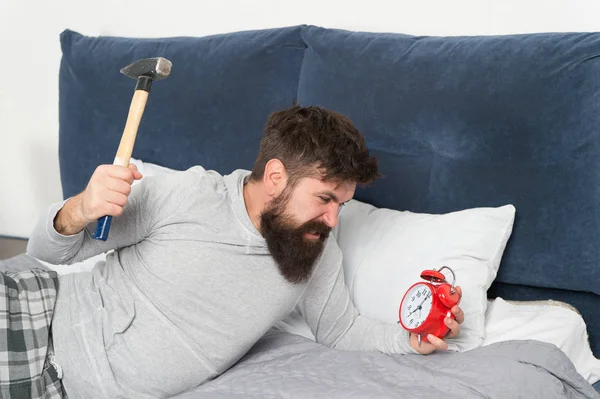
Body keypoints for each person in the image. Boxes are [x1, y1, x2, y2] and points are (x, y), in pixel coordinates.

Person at [26, 105, 464, 398]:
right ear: (276, 177)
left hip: (73, 387)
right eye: (325, 199)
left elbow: (341, 329)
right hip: (38, 319)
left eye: (342, 205)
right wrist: (79, 207)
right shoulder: (189, 196)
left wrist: (413, 339)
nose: (333, 220)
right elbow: (48, 252)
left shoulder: (315, 248)